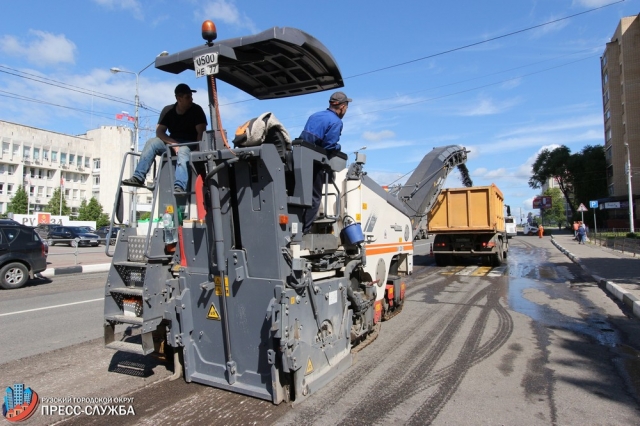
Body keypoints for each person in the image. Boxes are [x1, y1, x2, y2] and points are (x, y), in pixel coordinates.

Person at [122, 83, 207, 194]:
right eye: (188, 97)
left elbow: (201, 133)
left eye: (191, 96)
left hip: (190, 144)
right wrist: (174, 144)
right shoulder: (168, 111)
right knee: (151, 143)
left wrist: (198, 150)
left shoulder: (197, 110)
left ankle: (180, 186)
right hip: (171, 143)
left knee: (183, 150)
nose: (191, 99)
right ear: (178, 98)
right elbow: (159, 132)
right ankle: (138, 177)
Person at [299, 91, 352, 233]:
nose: (346, 110)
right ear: (341, 107)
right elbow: (329, 146)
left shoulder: (315, 115)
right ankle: (304, 231)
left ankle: (296, 225)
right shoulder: (336, 122)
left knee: (300, 195)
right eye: (346, 107)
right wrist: (338, 148)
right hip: (314, 162)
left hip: (299, 158)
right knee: (314, 198)